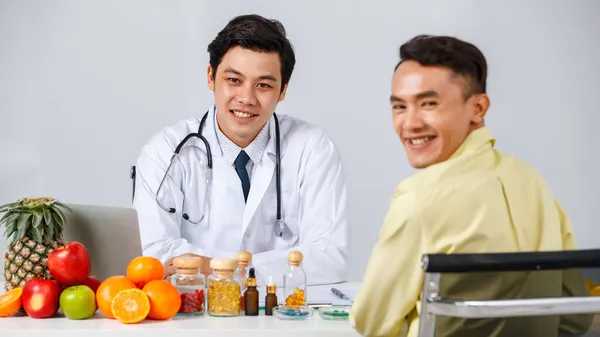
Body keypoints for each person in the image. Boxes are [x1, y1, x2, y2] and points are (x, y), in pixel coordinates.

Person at [349, 35, 593, 337]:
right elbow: (575, 316)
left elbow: (370, 321)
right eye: (400, 106)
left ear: (478, 108)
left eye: (428, 103)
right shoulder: (530, 180)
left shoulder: (419, 198)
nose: (410, 123)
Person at [131, 14, 349, 286]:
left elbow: (328, 260)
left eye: (263, 85)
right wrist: (271, 266)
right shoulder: (165, 151)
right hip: (196, 316)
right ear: (211, 77)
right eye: (234, 80)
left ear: (283, 91)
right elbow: (154, 256)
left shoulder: (313, 148)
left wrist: (221, 268)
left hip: (282, 317)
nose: (246, 98)